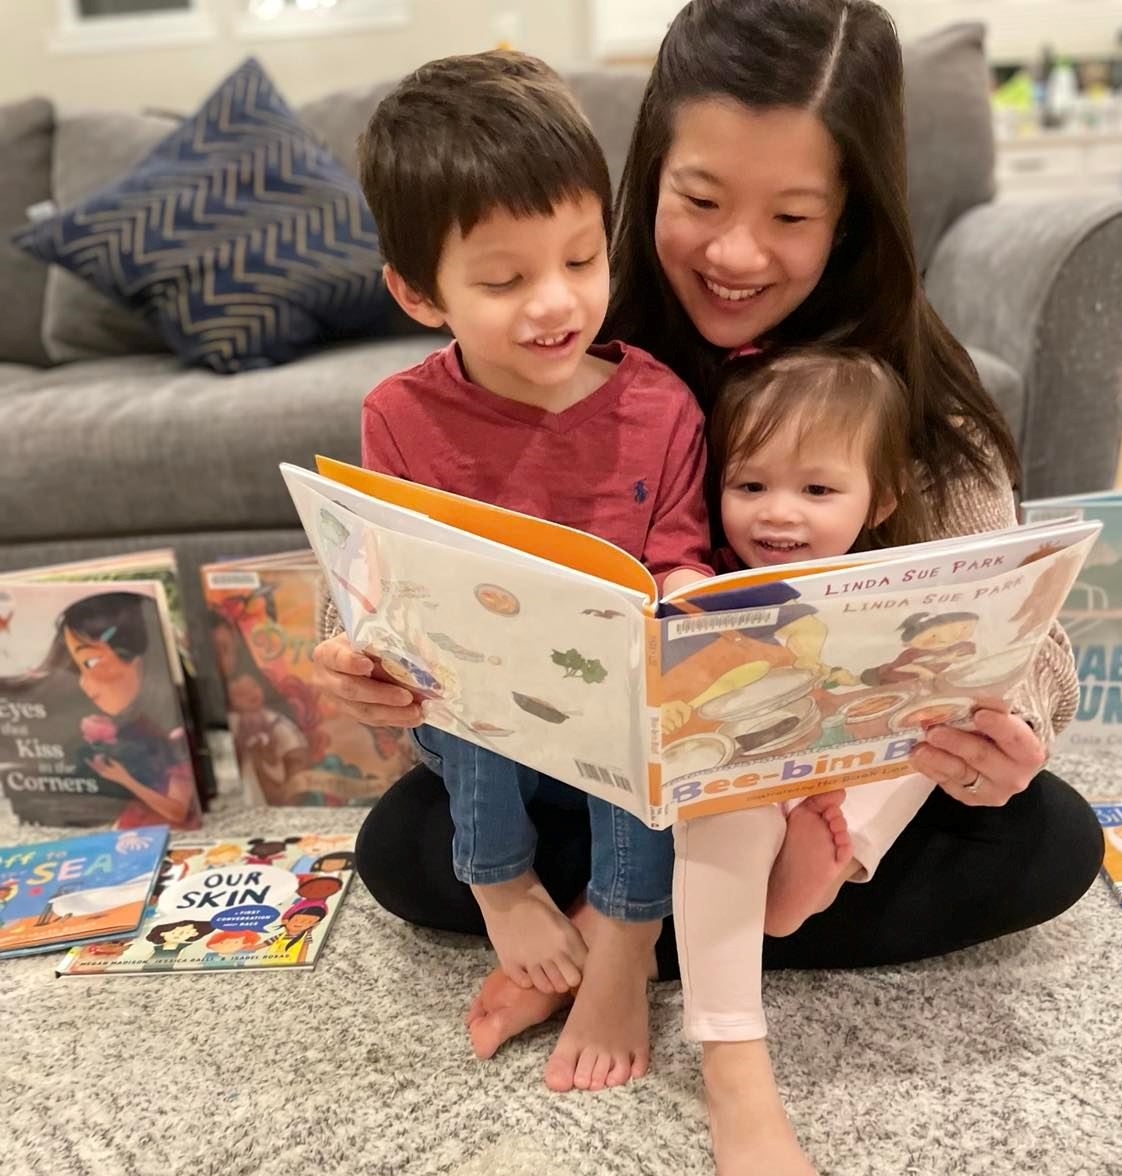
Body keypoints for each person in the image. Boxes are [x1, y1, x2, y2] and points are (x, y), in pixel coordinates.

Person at [312, 0, 1101, 1167]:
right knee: (399, 852)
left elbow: (1023, 639)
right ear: (646, 183)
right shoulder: (576, 334)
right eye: (699, 202)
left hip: (795, 790)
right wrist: (361, 652)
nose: (735, 255)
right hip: (602, 766)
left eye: (791, 215)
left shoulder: (910, 398)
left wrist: (1006, 730)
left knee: (1047, 840)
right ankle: (649, 917)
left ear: (853, 219)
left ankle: (636, 930)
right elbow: (397, 557)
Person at [347, 48, 712, 1092]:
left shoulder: (659, 406)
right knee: (458, 714)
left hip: (611, 712)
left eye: (584, 259)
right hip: (478, 715)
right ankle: (503, 884)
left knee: (635, 706)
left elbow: (680, 551)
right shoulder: (399, 417)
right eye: (503, 280)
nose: (556, 304)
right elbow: (392, 593)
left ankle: (624, 949)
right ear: (421, 293)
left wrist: (681, 595)